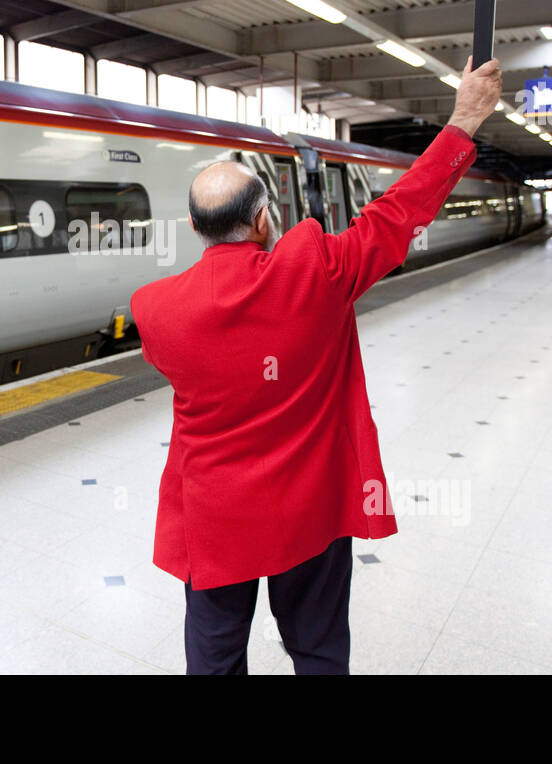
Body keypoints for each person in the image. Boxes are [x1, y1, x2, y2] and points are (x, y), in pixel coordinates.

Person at [130, 57, 503, 675]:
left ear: (195, 227)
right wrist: (463, 119)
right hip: (310, 509)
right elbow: (399, 213)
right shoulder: (318, 271)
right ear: (263, 219)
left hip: (215, 514)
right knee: (319, 649)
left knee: (214, 656)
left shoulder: (156, 310)